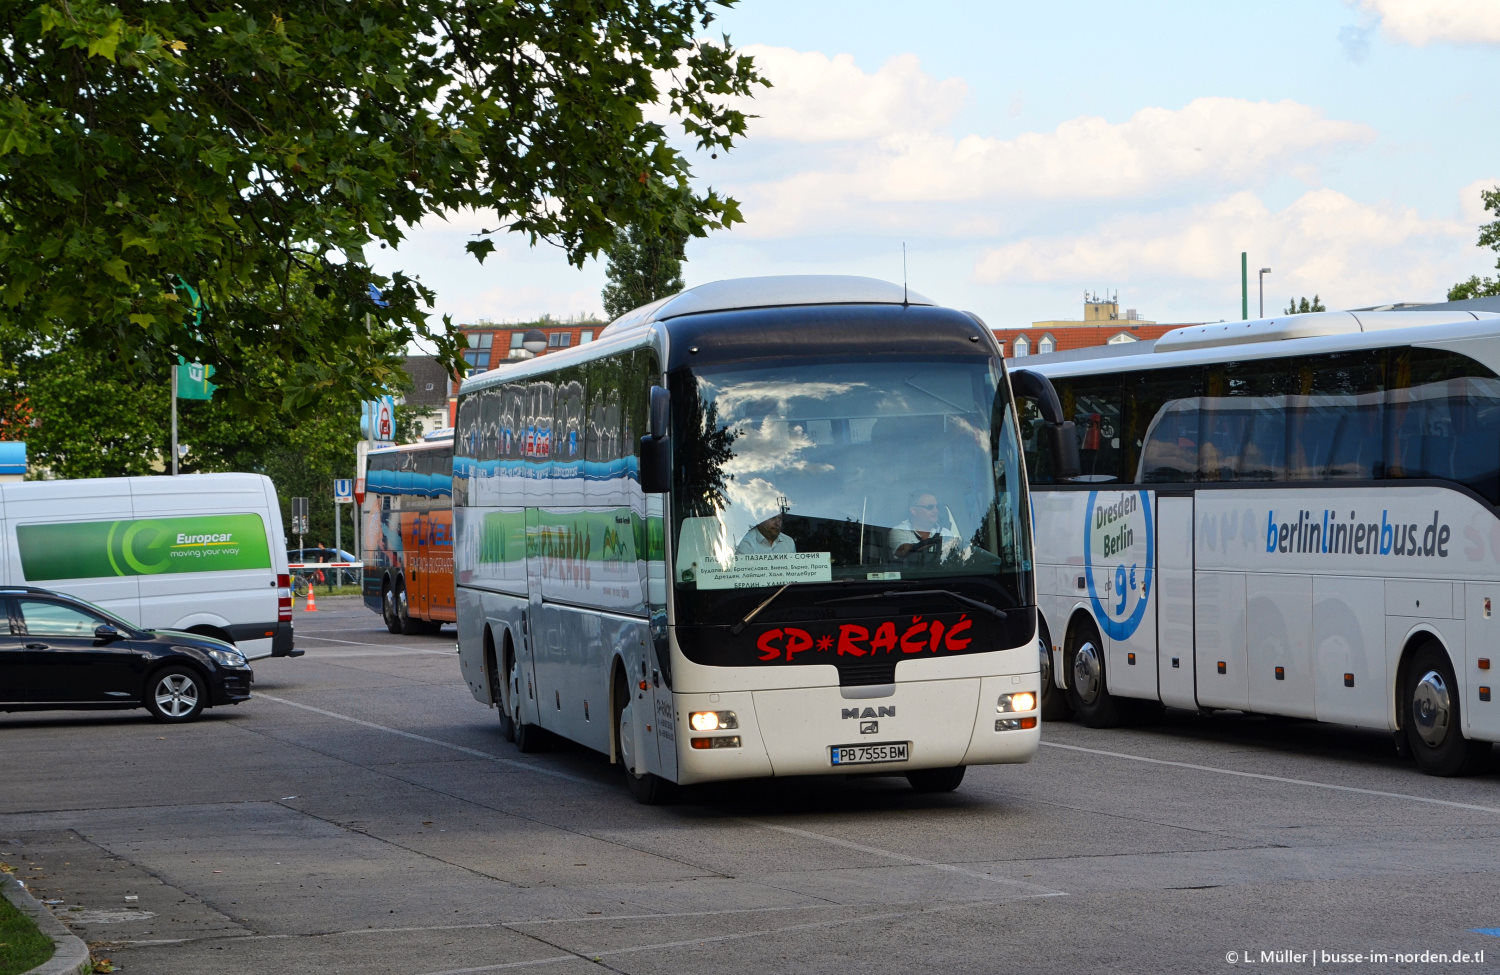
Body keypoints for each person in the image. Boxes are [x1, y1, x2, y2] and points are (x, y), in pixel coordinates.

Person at [888, 490, 964, 562]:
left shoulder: (945, 533)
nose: (936, 511)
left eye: (937, 507)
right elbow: (902, 552)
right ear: (913, 511)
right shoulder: (899, 531)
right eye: (930, 507)